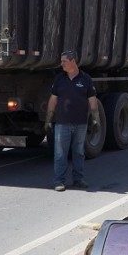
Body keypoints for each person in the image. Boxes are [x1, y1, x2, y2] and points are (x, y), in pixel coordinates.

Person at [45, 50, 100, 191]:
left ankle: (78, 179)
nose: (61, 64)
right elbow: (53, 100)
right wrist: (48, 120)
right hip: (62, 123)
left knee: (79, 152)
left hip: (81, 123)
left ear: (73, 61)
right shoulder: (59, 79)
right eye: (61, 61)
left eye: (64, 61)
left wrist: (96, 120)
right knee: (60, 153)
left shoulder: (86, 79)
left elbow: (92, 101)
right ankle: (59, 181)